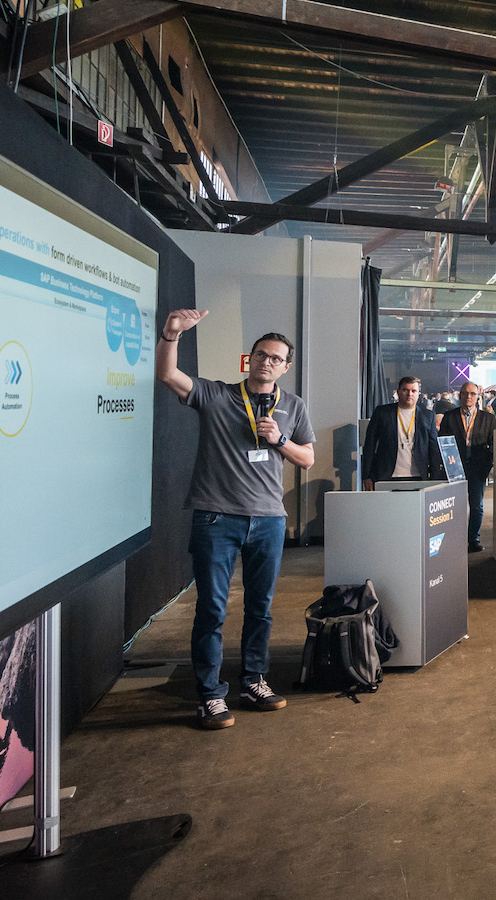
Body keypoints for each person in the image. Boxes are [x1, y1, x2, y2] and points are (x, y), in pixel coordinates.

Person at [156, 311, 316, 730]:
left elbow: (307, 458)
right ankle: (210, 695)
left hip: (269, 520)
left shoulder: (293, 406)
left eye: (275, 358)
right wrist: (171, 335)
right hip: (217, 519)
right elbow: (168, 375)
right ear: (250, 359)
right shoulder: (216, 395)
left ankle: (254, 681)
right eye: (261, 355)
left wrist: (279, 440)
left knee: (260, 608)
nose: (266, 362)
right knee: (211, 609)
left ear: (286, 366)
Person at [438, 381, 496, 553]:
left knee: (476, 506)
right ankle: (454, 540)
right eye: (465, 393)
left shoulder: (488, 419)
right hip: (455, 467)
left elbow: (493, 445)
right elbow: (443, 442)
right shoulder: (449, 417)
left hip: (478, 467)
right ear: (460, 395)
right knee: (454, 506)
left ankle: (473, 540)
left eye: (472, 394)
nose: (468, 397)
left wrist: (488, 464)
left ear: (478, 396)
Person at [363, 376, 445, 486]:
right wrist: (367, 475)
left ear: (418, 394)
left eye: (413, 391)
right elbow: (370, 444)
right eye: (405, 390)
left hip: (418, 476)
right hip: (386, 476)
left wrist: (435, 479)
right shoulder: (382, 413)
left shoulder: (428, 416)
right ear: (398, 392)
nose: (409, 394)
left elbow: (433, 448)